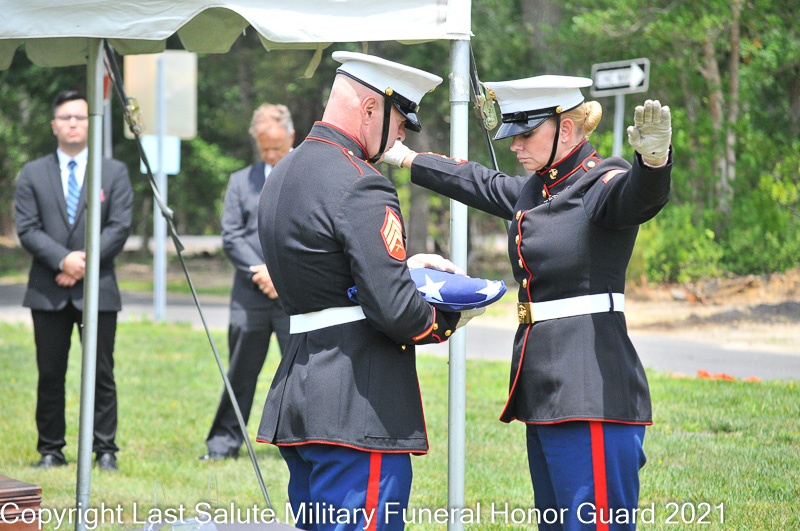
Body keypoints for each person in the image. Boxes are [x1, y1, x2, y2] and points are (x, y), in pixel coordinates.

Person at [383, 76, 673, 530]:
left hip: (591, 388)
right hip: (546, 388)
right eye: (512, 134)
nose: (515, 145)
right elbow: (479, 181)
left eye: (526, 133)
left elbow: (636, 196)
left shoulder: (601, 180)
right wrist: (405, 156)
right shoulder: (538, 190)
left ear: (567, 129)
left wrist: (653, 162)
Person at [256, 51, 478, 530]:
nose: (402, 135)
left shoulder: (284, 173)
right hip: (358, 402)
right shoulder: (361, 183)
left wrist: (400, 266)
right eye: (400, 120)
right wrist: (451, 316)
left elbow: (323, 269)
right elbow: (395, 310)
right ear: (370, 109)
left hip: (304, 394)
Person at [15, 90, 133, 472]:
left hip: (98, 289)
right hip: (47, 290)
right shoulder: (33, 173)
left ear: (91, 123)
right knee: (50, 373)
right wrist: (62, 259)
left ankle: (105, 449)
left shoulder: (113, 172)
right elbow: (27, 228)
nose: (72, 124)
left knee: (101, 372)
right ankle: (51, 449)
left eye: (80, 117)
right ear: (53, 125)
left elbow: (120, 226)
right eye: (65, 117)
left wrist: (84, 261)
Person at [199, 104, 294, 461]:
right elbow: (231, 235)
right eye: (264, 148)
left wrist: (281, 276)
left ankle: (301, 443)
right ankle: (223, 443)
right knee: (240, 371)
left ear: (291, 137)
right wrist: (261, 272)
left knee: (300, 372)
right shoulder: (240, 181)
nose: (270, 155)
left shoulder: (306, 176)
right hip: (250, 294)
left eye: (277, 147)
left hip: (293, 294)